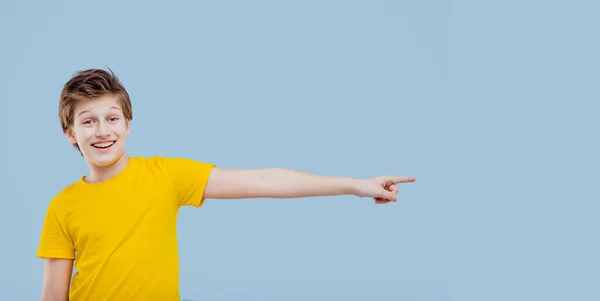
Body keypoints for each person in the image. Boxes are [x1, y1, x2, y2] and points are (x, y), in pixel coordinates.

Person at [36, 68, 416, 301]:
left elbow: (267, 180)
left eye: (111, 118)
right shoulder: (62, 206)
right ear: (70, 133)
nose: (102, 131)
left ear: (128, 124)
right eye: (88, 121)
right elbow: (53, 296)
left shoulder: (165, 176)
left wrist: (356, 185)